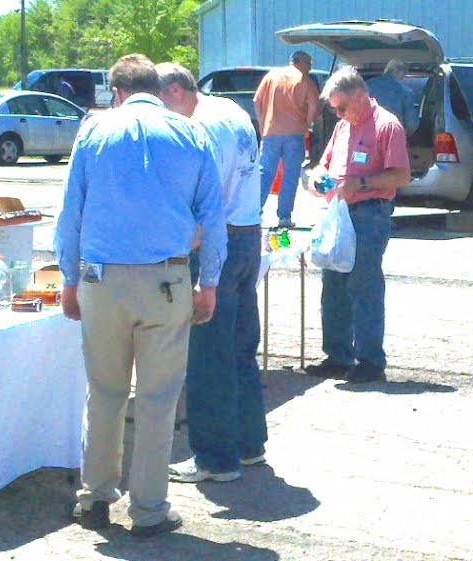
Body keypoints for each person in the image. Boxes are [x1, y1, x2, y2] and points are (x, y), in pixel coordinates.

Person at [58, 54, 226, 537]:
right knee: (157, 398)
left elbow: (71, 213)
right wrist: (208, 281)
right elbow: (212, 218)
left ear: (116, 92)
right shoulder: (191, 134)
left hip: (101, 281)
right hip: (166, 281)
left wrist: (69, 280)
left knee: (105, 391)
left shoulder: (93, 131)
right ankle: (149, 508)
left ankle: (94, 496)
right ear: (158, 87)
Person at [153, 63, 269, 484]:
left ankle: (215, 459)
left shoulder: (202, 127)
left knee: (207, 355)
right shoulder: (232, 112)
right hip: (247, 234)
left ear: (177, 92)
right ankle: (248, 444)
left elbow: (208, 206)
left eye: (162, 104)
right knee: (239, 348)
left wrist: (177, 248)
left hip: (221, 241)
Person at [301, 66, 411, 384]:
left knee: (363, 286)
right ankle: (337, 356)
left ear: (361, 96)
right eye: (333, 109)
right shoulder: (344, 127)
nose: (337, 114)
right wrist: (318, 175)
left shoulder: (387, 126)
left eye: (341, 107)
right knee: (333, 285)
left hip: (369, 215)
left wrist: (361, 183)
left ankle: (370, 360)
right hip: (339, 213)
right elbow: (324, 163)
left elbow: (401, 175)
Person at [254, 51, 321, 229]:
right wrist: (307, 125)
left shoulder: (271, 76)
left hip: (270, 133)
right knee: (290, 176)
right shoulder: (304, 80)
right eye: (309, 64)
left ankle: (253, 213)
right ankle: (284, 217)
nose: (310, 68)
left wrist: (263, 125)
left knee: (265, 173)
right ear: (302, 63)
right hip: (295, 134)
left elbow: (256, 100)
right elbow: (314, 106)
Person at [366, 59, 418, 132]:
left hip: (368, 132)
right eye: (404, 75)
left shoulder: (368, 84)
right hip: (392, 133)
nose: (403, 78)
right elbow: (411, 124)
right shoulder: (405, 92)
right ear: (400, 73)